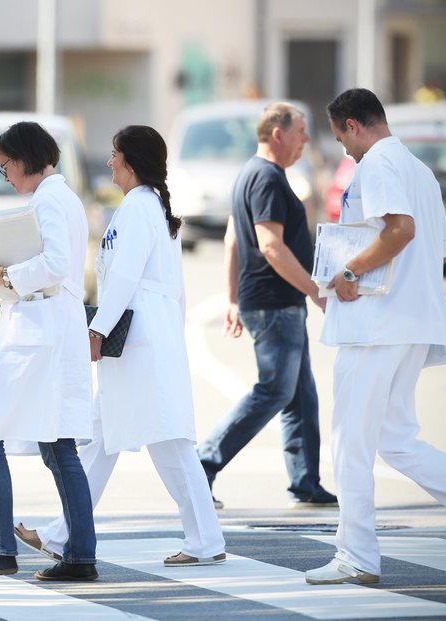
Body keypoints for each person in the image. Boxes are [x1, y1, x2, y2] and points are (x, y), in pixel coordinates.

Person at [306, 88, 446, 585]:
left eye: (341, 139)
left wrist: (348, 273)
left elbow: (400, 231)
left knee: (350, 441)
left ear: (354, 125)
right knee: (395, 438)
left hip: (376, 326)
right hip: (411, 322)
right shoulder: (421, 171)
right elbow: (431, 251)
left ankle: (356, 557)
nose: (344, 151)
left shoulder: (375, 164)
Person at [14, 125, 226, 567]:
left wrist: (96, 331)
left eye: (114, 154)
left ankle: (205, 541)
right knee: (100, 439)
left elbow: (126, 277)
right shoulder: (145, 206)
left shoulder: (139, 207)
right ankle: (61, 533)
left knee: (170, 444)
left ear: (132, 162)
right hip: (140, 342)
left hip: (139, 344)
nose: (109, 161)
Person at [0, 121, 98, 582]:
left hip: (39, 338)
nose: (6, 176)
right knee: (58, 445)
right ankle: (79, 556)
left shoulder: (49, 200)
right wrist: (5, 315)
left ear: (27, 157)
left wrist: (3, 278)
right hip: (47, 330)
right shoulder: (61, 198)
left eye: (6, 165)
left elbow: (53, 265)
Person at [196, 102, 337, 510]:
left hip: (271, 300)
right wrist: (315, 290)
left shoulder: (249, 175)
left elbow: (232, 241)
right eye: (301, 131)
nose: (306, 139)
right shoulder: (268, 178)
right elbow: (269, 244)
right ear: (278, 133)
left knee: (299, 393)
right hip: (275, 303)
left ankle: (305, 481)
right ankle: (203, 462)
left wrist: (232, 299)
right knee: (275, 390)